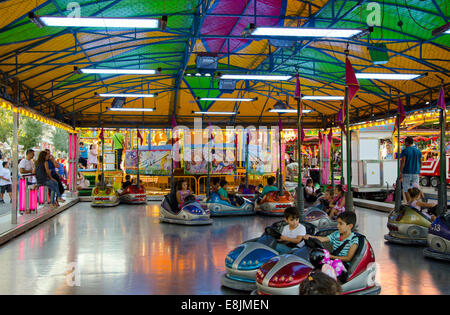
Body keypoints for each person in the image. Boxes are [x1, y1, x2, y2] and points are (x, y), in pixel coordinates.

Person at [305, 212, 359, 280]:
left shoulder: (354, 240)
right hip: (332, 261)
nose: (337, 226)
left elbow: (348, 258)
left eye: (341, 224)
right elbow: (323, 239)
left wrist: (331, 256)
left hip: (343, 265)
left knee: (334, 264)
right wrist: (311, 237)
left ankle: (330, 284)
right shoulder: (336, 234)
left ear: (350, 226)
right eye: (338, 223)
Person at [400, 137, 422, 203]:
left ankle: (409, 203)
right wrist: (419, 170)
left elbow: (403, 162)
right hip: (416, 173)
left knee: (406, 188)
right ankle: (416, 203)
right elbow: (421, 162)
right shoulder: (418, 151)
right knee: (416, 189)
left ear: (406, 142)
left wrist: (400, 172)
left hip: (406, 172)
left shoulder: (405, 151)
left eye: (404, 142)